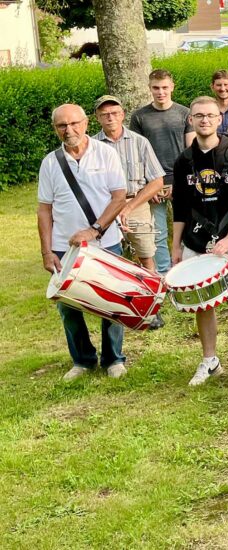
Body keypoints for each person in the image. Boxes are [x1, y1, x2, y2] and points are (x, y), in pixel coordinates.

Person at [171, 96, 228, 388]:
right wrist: (176, 246)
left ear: (220, 119)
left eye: (210, 115)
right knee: (202, 303)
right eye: (199, 116)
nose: (204, 120)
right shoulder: (184, 160)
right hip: (196, 240)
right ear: (191, 120)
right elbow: (180, 206)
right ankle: (210, 360)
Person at [38, 104, 128, 381]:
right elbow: (44, 209)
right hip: (65, 247)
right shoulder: (50, 162)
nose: (69, 130)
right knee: (68, 307)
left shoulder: (106, 153)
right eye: (62, 125)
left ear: (86, 123)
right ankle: (83, 360)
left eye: (74, 123)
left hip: (106, 241)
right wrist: (46, 251)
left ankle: (114, 359)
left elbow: (119, 197)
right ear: (55, 129)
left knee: (112, 300)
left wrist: (94, 230)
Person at [130, 69, 195, 304]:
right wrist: (150, 186)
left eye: (165, 87)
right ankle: (165, 279)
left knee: (188, 230)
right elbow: (137, 154)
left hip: (181, 182)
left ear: (172, 87)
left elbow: (191, 151)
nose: (161, 92)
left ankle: (188, 274)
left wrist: (180, 182)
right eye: (156, 88)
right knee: (158, 233)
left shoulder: (184, 113)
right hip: (153, 183)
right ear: (150, 88)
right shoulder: (140, 117)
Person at [93, 95, 165, 275]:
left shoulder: (139, 141)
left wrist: (129, 206)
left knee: (145, 255)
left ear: (122, 115)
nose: (110, 117)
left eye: (114, 113)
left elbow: (157, 181)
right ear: (97, 118)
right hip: (104, 206)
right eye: (105, 114)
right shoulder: (92, 146)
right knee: (107, 256)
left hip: (135, 204)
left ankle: (151, 287)